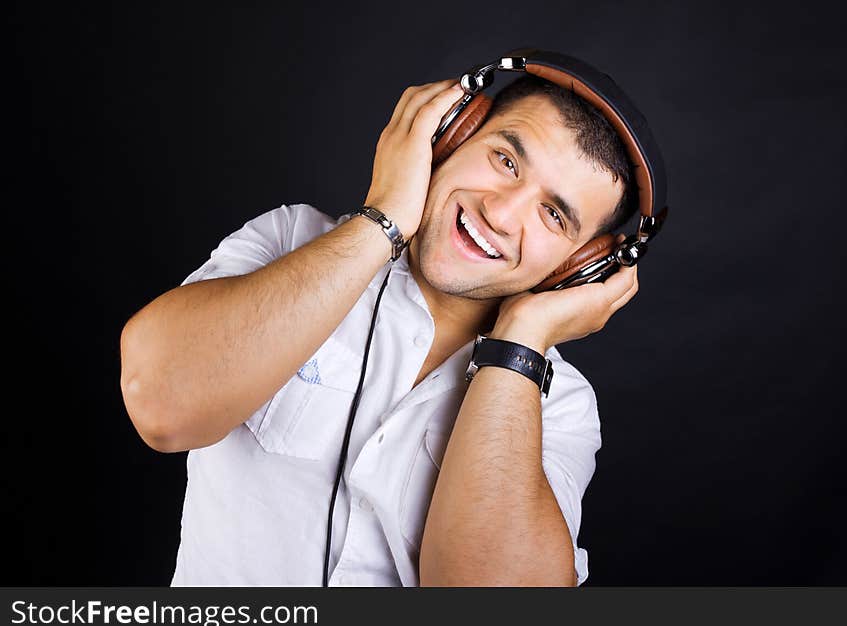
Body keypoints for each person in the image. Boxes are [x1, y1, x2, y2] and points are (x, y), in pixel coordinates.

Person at [119, 69, 642, 587]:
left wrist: (519, 343)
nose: (501, 213)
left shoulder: (561, 404)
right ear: (447, 136)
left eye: (553, 215)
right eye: (505, 161)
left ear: (581, 266)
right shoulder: (289, 238)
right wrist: (384, 219)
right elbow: (160, 405)